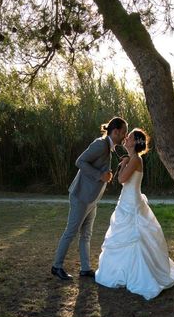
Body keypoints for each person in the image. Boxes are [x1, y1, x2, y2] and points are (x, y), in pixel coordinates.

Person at [95, 128, 174, 300]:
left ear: (135, 142)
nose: (126, 139)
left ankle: (139, 275)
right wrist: (126, 161)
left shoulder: (135, 159)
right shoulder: (133, 159)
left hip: (132, 205)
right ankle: (125, 271)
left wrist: (122, 165)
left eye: (129, 137)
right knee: (126, 238)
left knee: (135, 238)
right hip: (128, 201)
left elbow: (121, 180)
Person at [51, 117, 128, 281]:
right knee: (71, 232)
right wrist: (100, 175)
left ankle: (85, 269)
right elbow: (80, 161)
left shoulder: (110, 147)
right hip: (81, 196)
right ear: (115, 132)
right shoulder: (100, 144)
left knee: (86, 234)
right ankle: (56, 266)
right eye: (123, 133)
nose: (125, 136)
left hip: (92, 198)